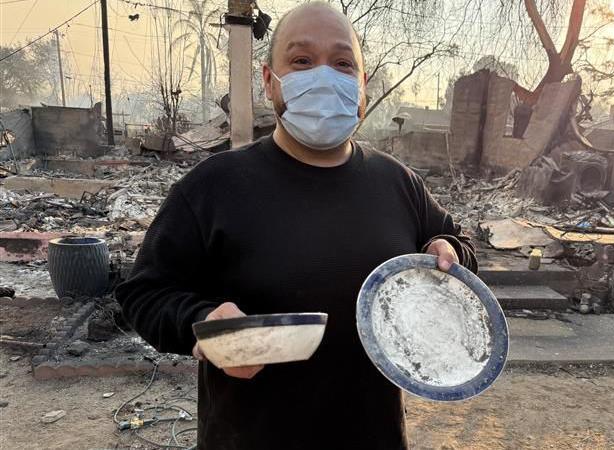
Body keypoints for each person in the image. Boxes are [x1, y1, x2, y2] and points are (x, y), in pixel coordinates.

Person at [115, 2, 477, 449]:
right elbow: (143, 294)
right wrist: (201, 322)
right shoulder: (213, 187)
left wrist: (450, 249)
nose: (324, 76)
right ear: (270, 81)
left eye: (343, 63)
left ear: (361, 84)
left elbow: (455, 248)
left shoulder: (398, 183)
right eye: (302, 61)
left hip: (374, 436)